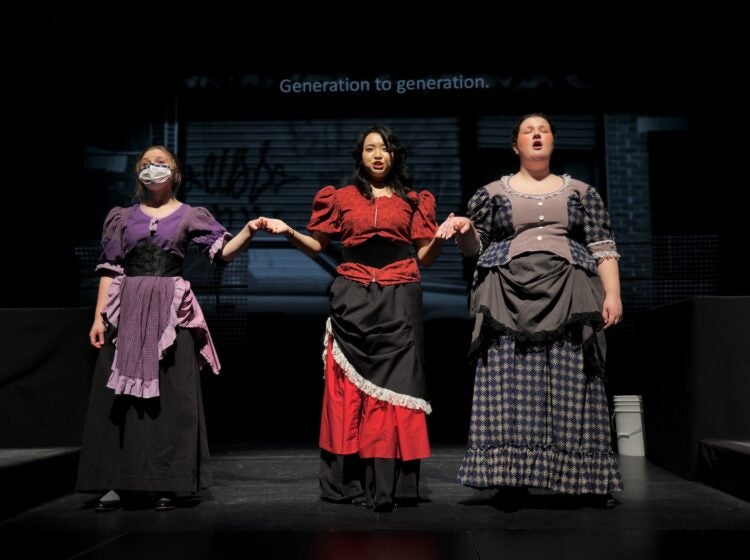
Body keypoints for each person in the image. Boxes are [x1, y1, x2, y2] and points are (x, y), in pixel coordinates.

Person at [257, 125, 458, 512]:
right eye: (370, 148)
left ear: (394, 155)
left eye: (384, 148)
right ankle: (348, 482)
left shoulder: (414, 201)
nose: (378, 155)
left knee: (398, 389)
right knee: (351, 390)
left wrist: (443, 236)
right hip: (352, 299)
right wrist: (288, 232)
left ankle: (394, 484)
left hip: (399, 296)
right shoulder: (341, 198)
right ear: (361, 156)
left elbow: (424, 257)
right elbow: (318, 245)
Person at [445, 113, 623, 507]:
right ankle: (511, 476)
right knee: (510, 382)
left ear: (553, 141)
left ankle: (583, 475)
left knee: (572, 378)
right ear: (516, 145)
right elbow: (474, 248)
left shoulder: (582, 192)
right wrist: (464, 228)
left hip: (570, 291)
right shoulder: (491, 194)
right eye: (528, 130)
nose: (537, 135)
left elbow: (603, 246)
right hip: (507, 295)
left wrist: (612, 294)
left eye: (543, 130)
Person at [76, 145, 262, 511]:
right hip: (126, 311)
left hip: (169, 313)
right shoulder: (121, 217)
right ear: (137, 173)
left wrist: (249, 230)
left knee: (169, 398)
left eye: (161, 163)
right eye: (146, 164)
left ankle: (168, 481)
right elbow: (110, 269)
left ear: (174, 172)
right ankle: (118, 481)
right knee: (122, 398)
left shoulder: (190, 215)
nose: (153, 169)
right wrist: (99, 317)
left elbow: (222, 251)